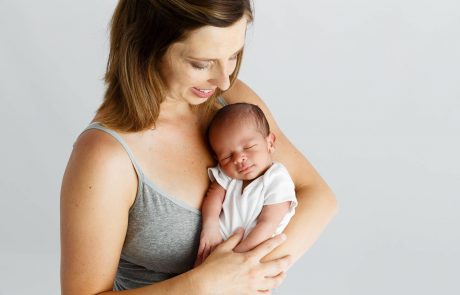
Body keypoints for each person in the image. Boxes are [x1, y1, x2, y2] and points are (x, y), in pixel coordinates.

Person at [60, 0, 338, 294]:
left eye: (233, 55)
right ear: (147, 44)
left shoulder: (229, 102)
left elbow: (319, 197)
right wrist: (205, 284)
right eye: (201, 63)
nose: (224, 79)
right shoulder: (105, 156)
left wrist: (249, 272)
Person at [195, 103, 298, 266]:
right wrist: (210, 225)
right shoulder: (228, 175)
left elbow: (268, 224)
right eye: (227, 156)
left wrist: (236, 257)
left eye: (248, 147)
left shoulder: (276, 178)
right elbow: (213, 196)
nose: (238, 159)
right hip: (215, 248)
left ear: (270, 142)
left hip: (250, 256)